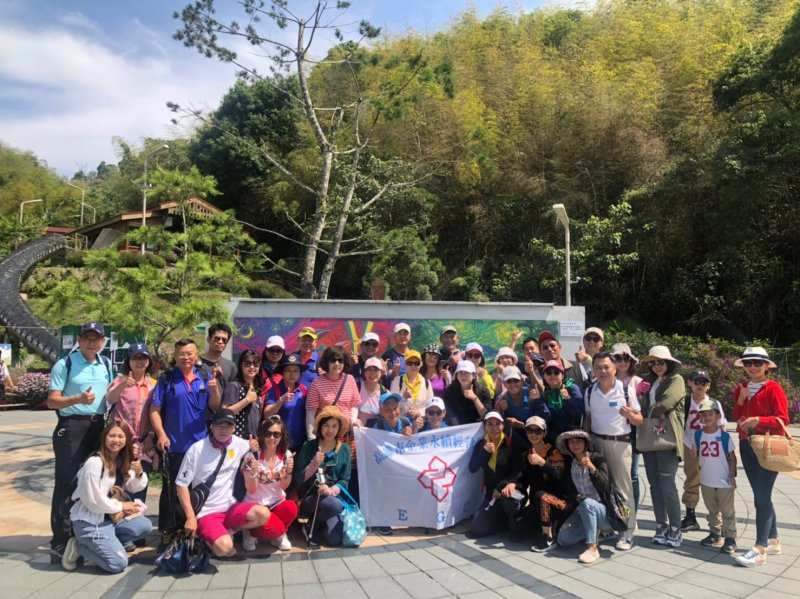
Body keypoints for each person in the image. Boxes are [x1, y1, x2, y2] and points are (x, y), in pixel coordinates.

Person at [47, 322, 115, 558]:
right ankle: (60, 538)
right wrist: (77, 399)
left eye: (96, 338)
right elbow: (52, 401)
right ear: (79, 339)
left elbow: (110, 395)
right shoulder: (64, 363)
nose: (91, 342)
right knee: (67, 482)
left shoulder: (106, 364)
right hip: (72, 426)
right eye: (87, 337)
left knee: (95, 480)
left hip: (98, 425)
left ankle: (85, 532)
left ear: (103, 341)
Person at [149, 338, 221, 542]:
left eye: (190, 353)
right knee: (172, 489)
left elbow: (215, 407)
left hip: (200, 445)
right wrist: (161, 434)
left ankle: (193, 529)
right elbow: (154, 410)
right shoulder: (167, 378)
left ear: (196, 355)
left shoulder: (205, 375)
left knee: (197, 488)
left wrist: (214, 390)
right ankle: (168, 531)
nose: (186, 357)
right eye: (182, 353)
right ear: (176, 355)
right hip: (175, 445)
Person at [176, 409, 269, 557]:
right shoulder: (196, 449)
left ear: (233, 428)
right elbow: (181, 484)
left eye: (228, 426)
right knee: (225, 550)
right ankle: (210, 537)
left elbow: (257, 446)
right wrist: (190, 517)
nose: (223, 430)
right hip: (207, 512)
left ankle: (228, 531)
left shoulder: (241, 444)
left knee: (263, 514)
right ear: (211, 426)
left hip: (230, 508)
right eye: (219, 425)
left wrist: (255, 447)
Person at [60, 423, 151, 573]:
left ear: (126, 440)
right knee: (118, 564)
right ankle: (79, 546)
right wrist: (122, 506)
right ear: (104, 438)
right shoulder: (94, 463)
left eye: (121, 436)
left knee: (144, 526)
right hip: (90, 522)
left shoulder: (121, 461)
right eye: (112, 436)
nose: (116, 440)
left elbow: (134, 487)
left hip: (110, 519)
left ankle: (109, 543)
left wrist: (140, 473)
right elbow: (93, 501)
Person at [732, 347, 789, 567]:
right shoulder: (742, 388)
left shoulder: (774, 388)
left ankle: (760, 548)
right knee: (759, 493)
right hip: (747, 446)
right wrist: (741, 400)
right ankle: (773, 540)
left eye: (757, 363)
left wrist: (758, 421)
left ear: (767, 366)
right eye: (748, 363)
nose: (752, 367)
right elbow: (736, 417)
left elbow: (782, 418)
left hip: (767, 447)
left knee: (761, 497)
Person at [583, 352, 642, 550]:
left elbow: (639, 419)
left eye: (606, 367)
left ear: (615, 368)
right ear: (593, 370)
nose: (603, 371)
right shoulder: (590, 391)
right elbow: (589, 419)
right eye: (598, 367)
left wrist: (630, 415)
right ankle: (608, 526)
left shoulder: (625, 390)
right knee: (602, 487)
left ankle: (627, 532)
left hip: (620, 444)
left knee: (622, 489)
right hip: (597, 442)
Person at [554, 429, 626, 564]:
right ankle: (595, 531)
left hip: (603, 511)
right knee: (563, 539)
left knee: (588, 503)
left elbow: (606, 485)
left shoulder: (597, 458)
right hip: (583, 510)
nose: (575, 445)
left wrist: (592, 468)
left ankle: (592, 548)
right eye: (571, 442)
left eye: (579, 441)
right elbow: (569, 490)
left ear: (585, 443)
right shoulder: (571, 463)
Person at [639, 345, 686, 548]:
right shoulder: (649, 382)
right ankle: (661, 525)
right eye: (654, 363)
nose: (657, 366)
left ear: (669, 363)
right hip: (650, 438)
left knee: (667, 485)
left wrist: (644, 413)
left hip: (667, 437)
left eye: (661, 362)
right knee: (654, 485)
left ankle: (676, 527)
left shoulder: (676, 380)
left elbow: (668, 403)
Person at [294, 406, 352, 547]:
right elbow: (298, 479)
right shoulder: (309, 446)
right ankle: (307, 521)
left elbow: (345, 479)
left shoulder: (344, 449)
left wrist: (332, 490)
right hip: (310, 498)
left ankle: (314, 525)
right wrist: (314, 464)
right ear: (319, 427)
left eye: (334, 426)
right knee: (333, 505)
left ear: (339, 429)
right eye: (326, 425)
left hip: (332, 497)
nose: (330, 430)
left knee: (334, 540)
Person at [106, 342, 157, 502]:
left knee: (139, 487)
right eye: (135, 358)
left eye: (143, 358)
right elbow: (110, 399)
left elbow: (156, 413)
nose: (140, 362)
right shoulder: (120, 381)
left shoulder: (153, 385)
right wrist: (122, 385)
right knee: (118, 487)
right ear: (129, 361)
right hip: (121, 443)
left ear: (148, 361)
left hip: (144, 444)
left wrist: (152, 439)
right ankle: (116, 520)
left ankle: (135, 522)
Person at [241, 416, 298, 552]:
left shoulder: (286, 455)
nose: (272, 438)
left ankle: (276, 535)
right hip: (256, 505)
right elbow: (251, 489)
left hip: (276, 502)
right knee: (273, 528)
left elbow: (284, 486)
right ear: (262, 435)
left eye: (276, 434)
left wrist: (288, 471)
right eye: (268, 434)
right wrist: (253, 473)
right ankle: (250, 532)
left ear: (282, 436)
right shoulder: (252, 456)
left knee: (291, 508)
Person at [680, 370, 727, 532]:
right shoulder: (685, 401)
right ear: (690, 383)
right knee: (691, 480)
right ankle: (690, 516)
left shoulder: (714, 403)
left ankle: (716, 520)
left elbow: (721, 427)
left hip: (709, 448)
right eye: (697, 381)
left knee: (713, 482)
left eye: (704, 382)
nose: (700, 385)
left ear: (708, 386)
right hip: (689, 445)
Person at [515, 416, 570, 552]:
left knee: (542, 495)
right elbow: (523, 480)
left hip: (557, 502)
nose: (533, 434)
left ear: (544, 433)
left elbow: (560, 478)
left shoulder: (554, 452)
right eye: (529, 431)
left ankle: (548, 536)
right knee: (517, 531)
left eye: (537, 431)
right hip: (537, 504)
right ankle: (542, 526)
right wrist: (511, 485)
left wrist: (543, 463)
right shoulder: (526, 454)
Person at [467, 412, 524, 538]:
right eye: (490, 424)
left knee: (509, 500)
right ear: (485, 426)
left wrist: (507, 484)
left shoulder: (511, 441)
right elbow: (472, 468)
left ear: (503, 426)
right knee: (477, 530)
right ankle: (502, 521)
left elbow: (519, 469)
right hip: (492, 494)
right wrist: (485, 452)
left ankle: (514, 519)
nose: (494, 428)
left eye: (498, 424)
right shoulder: (481, 444)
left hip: (509, 489)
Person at [695, 399, 737, 555]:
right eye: (703, 415)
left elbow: (732, 458)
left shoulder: (724, 436)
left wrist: (732, 476)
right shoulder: (698, 435)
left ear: (718, 416)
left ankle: (730, 538)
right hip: (706, 480)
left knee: (727, 511)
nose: (707, 418)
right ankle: (715, 533)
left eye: (710, 414)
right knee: (711, 509)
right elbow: (698, 456)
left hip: (724, 481)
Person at [611, 343, 643, 510]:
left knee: (633, 474)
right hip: (612, 431)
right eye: (618, 358)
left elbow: (643, 410)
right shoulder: (608, 379)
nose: (622, 362)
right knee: (614, 474)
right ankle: (619, 509)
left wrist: (632, 412)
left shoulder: (638, 382)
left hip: (633, 433)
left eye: (626, 358)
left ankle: (634, 510)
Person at [305, 346, 360, 438]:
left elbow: (354, 405)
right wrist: (311, 437)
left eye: (340, 360)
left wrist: (353, 420)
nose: (337, 363)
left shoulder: (350, 379)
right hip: (326, 435)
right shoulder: (317, 383)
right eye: (333, 360)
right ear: (327, 362)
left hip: (347, 434)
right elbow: (311, 413)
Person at [530, 360, 584, 445]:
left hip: (573, 439)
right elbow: (546, 419)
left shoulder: (572, 388)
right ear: (544, 376)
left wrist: (568, 399)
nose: (552, 375)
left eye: (556, 372)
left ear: (562, 375)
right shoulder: (545, 394)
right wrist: (537, 401)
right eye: (548, 373)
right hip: (555, 439)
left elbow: (578, 415)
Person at [265, 354, 308, 451]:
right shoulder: (274, 390)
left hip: (300, 444)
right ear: (282, 373)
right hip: (279, 443)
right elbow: (267, 415)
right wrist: (281, 400)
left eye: (295, 371)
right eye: (288, 370)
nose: (292, 374)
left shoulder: (303, 390)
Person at [222, 350, 265, 443]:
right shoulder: (234, 386)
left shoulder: (258, 388)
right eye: (247, 364)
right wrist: (247, 400)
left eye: (256, 364)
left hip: (253, 440)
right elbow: (225, 412)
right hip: (237, 439)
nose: (252, 367)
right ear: (241, 365)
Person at [495, 366, 538, 443]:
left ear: (521, 381)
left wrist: (523, 426)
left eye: (516, 380)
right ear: (504, 383)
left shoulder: (530, 392)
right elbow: (498, 424)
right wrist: (503, 413)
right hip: (518, 439)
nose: (513, 384)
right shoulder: (500, 399)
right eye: (509, 381)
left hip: (537, 433)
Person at [389, 349, 433, 423]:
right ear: (405, 364)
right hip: (401, 424)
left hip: (421, 423)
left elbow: (430, 405)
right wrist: (403, 398)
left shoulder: (426, 382)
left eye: (416, 363)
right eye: (410, 363)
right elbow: (391, 405)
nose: (413, 366)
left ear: (421, 364)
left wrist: (419, 412)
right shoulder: (397, 381)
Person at [443, 360, 492, 425]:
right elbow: (450, 416)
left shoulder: (483, 391)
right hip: (458, 429)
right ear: (456, 375)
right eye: (460, 372)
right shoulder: (450, 391)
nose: (463, 375)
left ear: (474, 375)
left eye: (466, 372)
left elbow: (487, 416)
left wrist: (475, 398)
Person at [356, 357, 385, 428]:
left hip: (375, 433)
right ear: (364, 372)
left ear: (381, 372)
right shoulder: (357, 387)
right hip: (357, 430)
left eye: (376, 370)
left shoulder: (384, 392)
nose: (372, 373)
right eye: (369, 370)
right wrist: (354, 419)